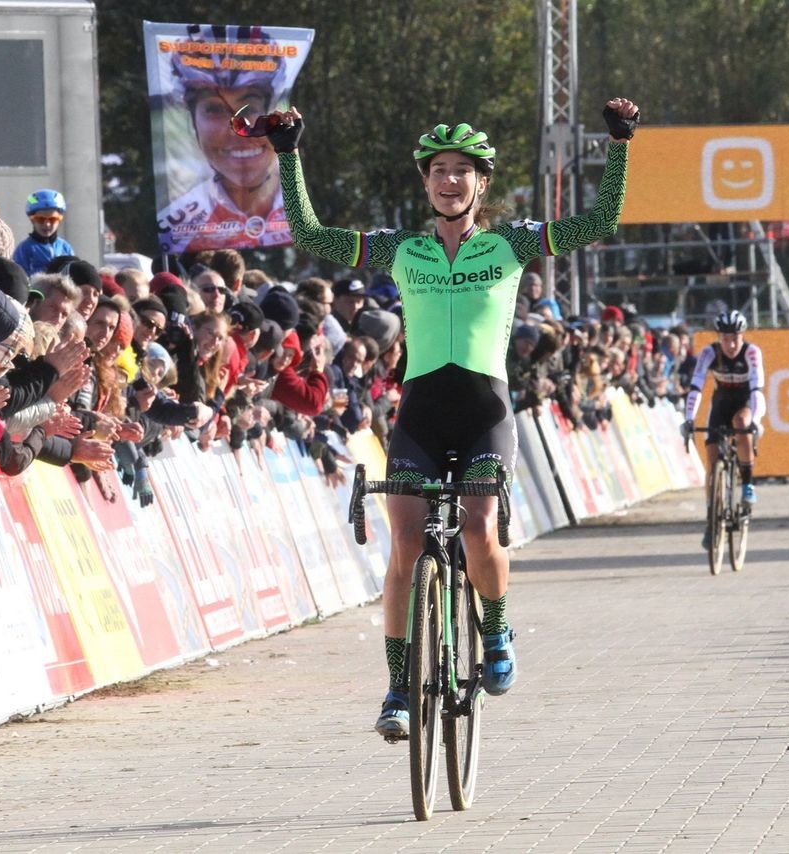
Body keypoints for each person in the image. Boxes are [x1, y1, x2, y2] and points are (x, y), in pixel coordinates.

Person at [275, 95, 640, 739]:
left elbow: (603, 219)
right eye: (438, 169)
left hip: (485, 414)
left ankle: (495, 631)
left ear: (481, 182)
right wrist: (289, 154)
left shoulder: (510, 244)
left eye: (461, 171)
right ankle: (396, 689)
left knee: (478, 524)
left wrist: (619, 143)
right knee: (405, 547)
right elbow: (308, 236)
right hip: (419, 416)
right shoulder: (402, 249)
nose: (449, 180)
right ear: (425, 180)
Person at [156, 27, 292, 254]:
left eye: (250, 107)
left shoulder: (307, 213)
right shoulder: (176, 227)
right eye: (215, 110)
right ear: (193, 124)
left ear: (274, 115)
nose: (237, 129)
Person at [683, 310, 766, 540]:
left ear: (742, 336)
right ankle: (711, 518)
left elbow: (757, 391)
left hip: (745, 402)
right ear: (719, 337)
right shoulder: (710, 353)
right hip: (720, 403)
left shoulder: (752, 353)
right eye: (725, 338)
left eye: (735, 338)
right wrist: (689, 419)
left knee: (741, 423)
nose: (730, 344)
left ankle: (748, 484)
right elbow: (696, 387)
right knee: (711, 462)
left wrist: (756, 422)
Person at [14, 189, 75, 275]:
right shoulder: (23, 249)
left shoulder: (65, 248)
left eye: (53, 219)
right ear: (32, 220)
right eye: (40, 219)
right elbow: (19, 279)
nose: (47, 224)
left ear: (60, 220)